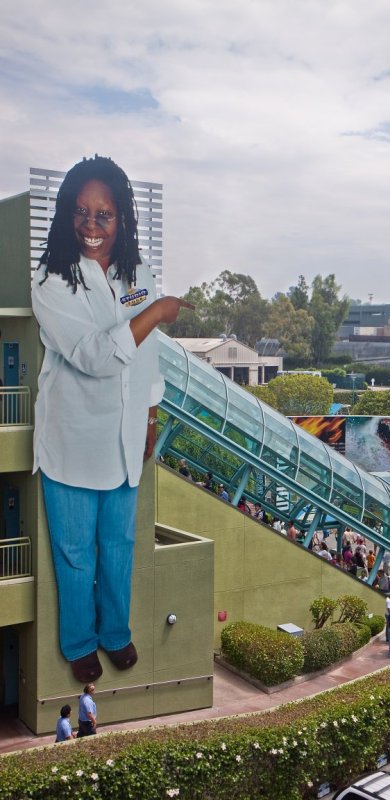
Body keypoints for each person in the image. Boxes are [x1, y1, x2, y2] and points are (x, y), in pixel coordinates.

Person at [31, 155, 193, 683]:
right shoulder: (53, 282)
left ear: (121, 217)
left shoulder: (135, 274)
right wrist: (157, 312)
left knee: (119, 546)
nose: (92, 227)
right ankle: (79, 641)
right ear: (65, 216)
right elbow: (97, 357)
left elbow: (144, 355)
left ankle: (114, 633)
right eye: (81, 213)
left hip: (124, 437)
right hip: (74, 437)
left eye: (104, 214)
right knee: (77, 553)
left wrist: (149, 413)